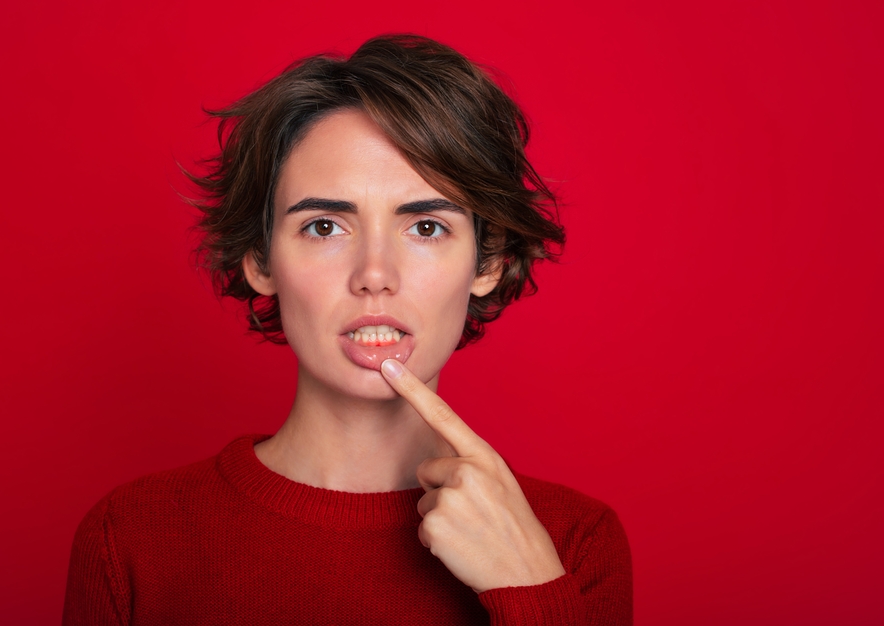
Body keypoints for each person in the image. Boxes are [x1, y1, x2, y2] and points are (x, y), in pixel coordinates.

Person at [63, 34, 633, 625]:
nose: (375, 276)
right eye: (325, 227)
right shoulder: (131, 539)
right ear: (261, 259)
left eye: (427, 228)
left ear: (486, 262)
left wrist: (528, 588)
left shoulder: (571, 545)